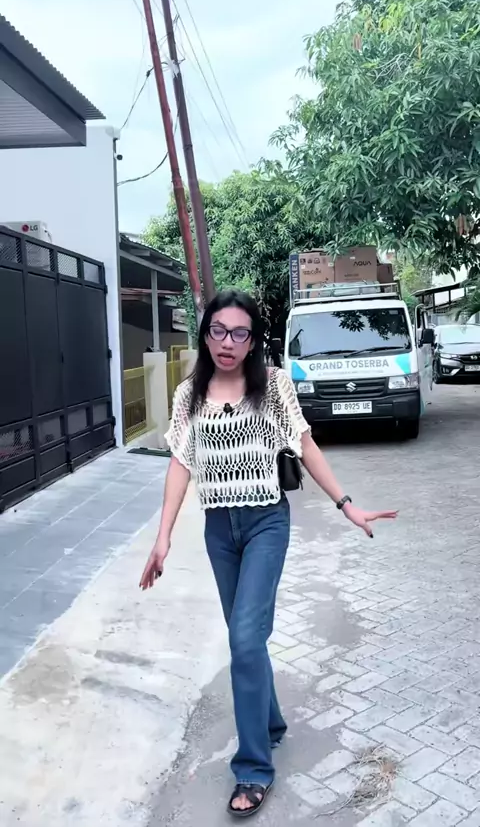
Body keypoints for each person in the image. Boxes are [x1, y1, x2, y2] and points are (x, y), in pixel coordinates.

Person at [139, 289, 397, 818]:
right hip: (219, 529)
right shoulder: (189, 394)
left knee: (243, 637)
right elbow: (181, 463)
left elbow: (305, 445)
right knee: (248, 639)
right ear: (205, 333)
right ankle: (271, 721)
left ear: (254, 340)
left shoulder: (274, 386)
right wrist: (162, 537)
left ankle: (254, 768)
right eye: (218, 331)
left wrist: (347, 505)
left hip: (266, 523)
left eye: (239, 333)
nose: (227, 342)